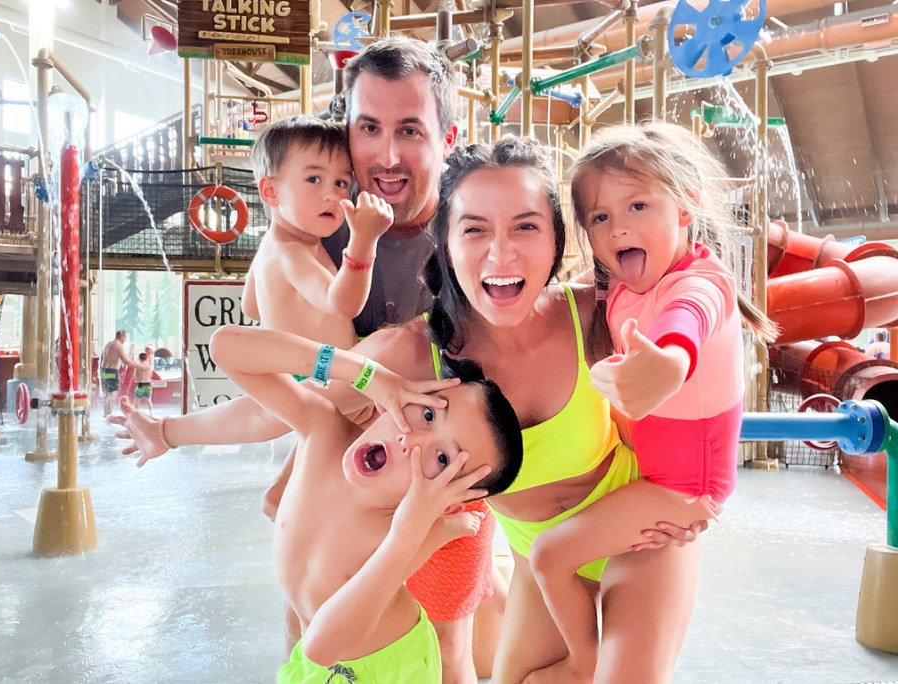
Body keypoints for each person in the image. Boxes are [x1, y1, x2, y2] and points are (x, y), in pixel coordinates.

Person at [113, 39, 502, 684]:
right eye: (368, 129)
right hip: (340, 464)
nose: (387, 154)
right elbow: (272, 364)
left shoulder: (470, 230)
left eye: (410, 130)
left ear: (447, 136)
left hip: (426, 475)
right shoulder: (320, 217)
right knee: (305, 627)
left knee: (449, 651)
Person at [304, 137, 708, 683]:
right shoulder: (414, 354)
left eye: (525, 226)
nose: (501, 254)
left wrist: (700, 480)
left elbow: (702, 295)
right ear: (444, 244)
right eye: (474, 229)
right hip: (542, 560)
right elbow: (299, 399)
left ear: (558, 242)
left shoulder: (596, 312)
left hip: (640, 538)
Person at [525, 122, 779, 681]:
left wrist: (665, 366)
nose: (618, 228)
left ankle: (583, 664)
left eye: (638, 205)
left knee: (549, 556)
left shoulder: (698, 283)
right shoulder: (621, 286)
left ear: (686, 206)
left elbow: (683, 328)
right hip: (652, 477)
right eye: (599, 217)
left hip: (682, 489)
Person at [194, 323, 522, 683]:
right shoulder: (322, 430)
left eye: (443, 459)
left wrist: (409, 532)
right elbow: (227, 348)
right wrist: (366, 373)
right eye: (428, 414)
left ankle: (450, 529)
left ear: (445, 501)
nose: (411, 440)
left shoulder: (393, 536)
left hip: (391, 672)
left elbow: (320, 647)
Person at [242, 115, 393, 347]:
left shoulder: (273, 246)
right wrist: (364, 239)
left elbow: (250, 307)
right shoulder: (291, 253)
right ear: (271, 191)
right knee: (400, 342)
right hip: (322, 378)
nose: (330, 195)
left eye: (340, 183)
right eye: (313, 179)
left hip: (305, 372)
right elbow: (344, 306)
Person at [100, 330, 140, 418]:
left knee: (106, 392)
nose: (125, 339)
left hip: (103, 371)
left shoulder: (108, 344)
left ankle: (105, 413)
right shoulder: (118, 345)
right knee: (113, 392)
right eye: (125, 337)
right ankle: (109, 414)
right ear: (122, 336)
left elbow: (102, 358)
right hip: (112, 371)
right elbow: (126, 360)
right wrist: (138, 365)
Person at [133, 351, 154, 416]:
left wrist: (138, 380)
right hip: (148, 385)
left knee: (137, 400)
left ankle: (137, 414)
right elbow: (151, 376)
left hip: (141, 385)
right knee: (149, 400)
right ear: (146, 358)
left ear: (139, 359)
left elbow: (135, 377)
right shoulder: (149, 367)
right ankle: (151, 414)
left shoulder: (138, 367)